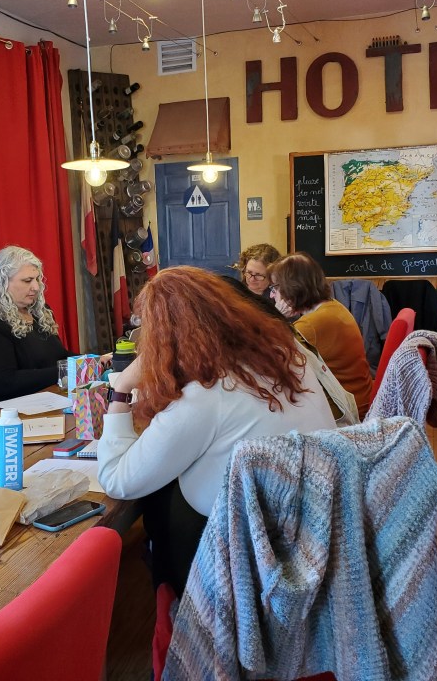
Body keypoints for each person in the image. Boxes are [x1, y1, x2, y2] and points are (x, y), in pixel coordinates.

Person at [98, 266, 336, 594]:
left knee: (159, 496)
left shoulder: (205, 395)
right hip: (314, 529)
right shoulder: (285, 357)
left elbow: (116, 479)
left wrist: (122, 387)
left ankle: (175, 602)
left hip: (243, 560)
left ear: (164, 340)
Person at [0, 246, 72, 425]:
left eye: (37, 279)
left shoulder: (39, 314)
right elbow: (5, 383)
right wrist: (67, 371)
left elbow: (60, 356)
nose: (36, 287)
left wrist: (92, 361)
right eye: (27, 280)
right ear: (2, 283)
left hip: (38, 407)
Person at [268, 252, 374, 417]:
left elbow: (271, 362)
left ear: (292, 287)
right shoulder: (333, 306)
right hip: (359, 400)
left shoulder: (310, 325)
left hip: (345, 413)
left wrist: (276, 317)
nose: (271, 295)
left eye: (275, 288)